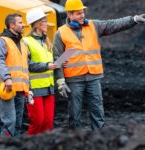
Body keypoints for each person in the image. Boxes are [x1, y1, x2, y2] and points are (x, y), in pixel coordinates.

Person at [53, 0, 145, 130]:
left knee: (97, 110)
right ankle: (74, 137)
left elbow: (113, 25)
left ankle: (99, 137)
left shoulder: (93, 26)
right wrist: (61, 80)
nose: (82, 15)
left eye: (83, 12)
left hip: (93, 77)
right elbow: (58, 58)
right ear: (69, 14)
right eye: (79, 13)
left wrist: (133, 20)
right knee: (74, 112)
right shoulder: (61, 33)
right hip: (74, 79)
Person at [23, 8, 56, 135]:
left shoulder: (46, 42)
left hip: (49, 87)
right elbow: (26, 65)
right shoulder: (26, 42)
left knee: (48, 124)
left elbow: (48, 62)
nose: (47, 23)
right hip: (34, 89)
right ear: (37, 24)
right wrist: (47, 66)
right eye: (44, 21)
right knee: (38, 122)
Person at [0, 13, 29, 137]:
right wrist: (7, 78)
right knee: (10, 122)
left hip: (20, 89)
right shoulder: (2, 41)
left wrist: (47, 65)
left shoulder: (22, 44)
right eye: (20, 22)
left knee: (18, 124)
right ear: (11, 25)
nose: (23, 24)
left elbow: (27, 65)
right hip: (7, 88)